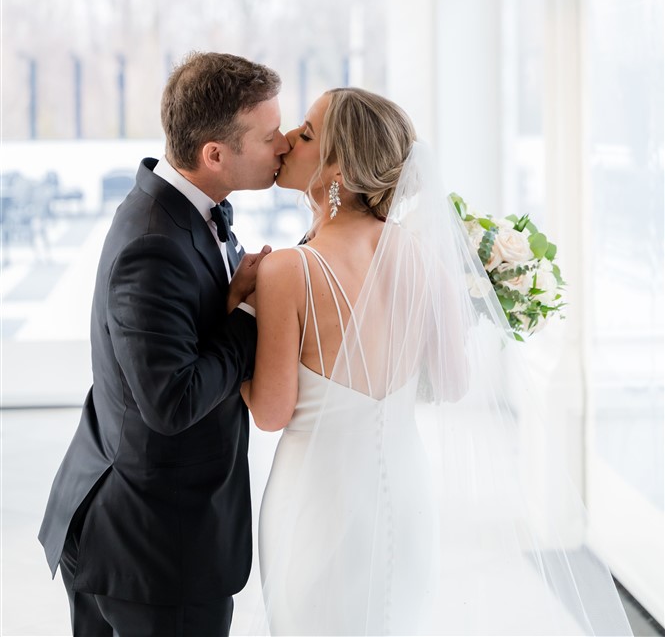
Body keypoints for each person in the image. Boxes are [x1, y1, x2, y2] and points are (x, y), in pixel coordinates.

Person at [238, 87, 633, 637]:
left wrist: (230, 311)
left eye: (305, 135)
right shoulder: (423, 256)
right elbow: (450, 382)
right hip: (406, 499)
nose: (286, 142)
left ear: (338, 172)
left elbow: (271, 412)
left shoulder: (286, 272)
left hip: (316, 508)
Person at [39, 51, 290, 637]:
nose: (282, 145)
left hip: (141, 527)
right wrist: (254, 313)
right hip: (149, 549)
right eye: (270, 135)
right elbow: (171, 401)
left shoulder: (190, 211)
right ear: (215, 154)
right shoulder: (153, 243)